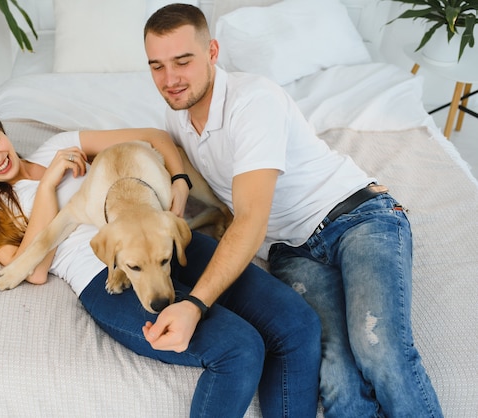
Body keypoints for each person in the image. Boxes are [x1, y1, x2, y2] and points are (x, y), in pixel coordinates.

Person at [142, 3, 444, 418]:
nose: (170, 79)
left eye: (182, 61)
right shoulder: (175, 117)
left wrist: (195, 304)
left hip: (356, 219)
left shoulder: (253, 101)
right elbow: (153, 138)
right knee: (337, 376)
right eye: (156, 66)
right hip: (291, 252)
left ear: (212, 52)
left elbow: (250, 219)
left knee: (378, 348)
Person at [0, 104, 321, 418]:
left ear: (1, 129)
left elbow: (153, 138)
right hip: (107, 275)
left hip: (162, 241)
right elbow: (32, 269)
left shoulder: (63, 144)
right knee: (240, 348)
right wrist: (47, 185)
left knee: (297, 324)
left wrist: (180, 184)